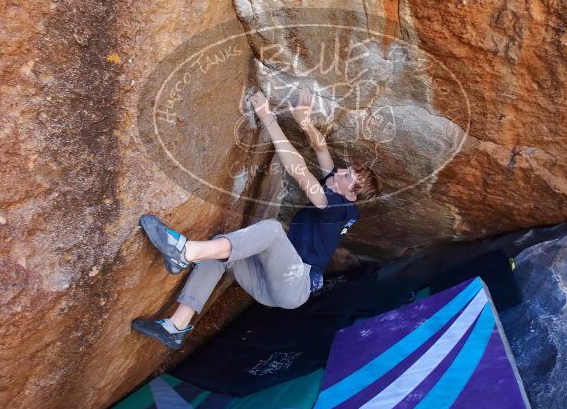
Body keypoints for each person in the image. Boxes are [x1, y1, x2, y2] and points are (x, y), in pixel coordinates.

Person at [131, 87, 381, 349]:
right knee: (219, 249)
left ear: (351, 195)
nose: (340, 170)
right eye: (348, 169)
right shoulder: (336, 185)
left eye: (348, 176)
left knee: (273, 230)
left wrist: (268, 118)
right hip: (270, 284)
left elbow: (299, 172)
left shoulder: (339, 208)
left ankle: (185, 252)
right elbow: (321, 148)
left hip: (297, 283)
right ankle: (176, 327)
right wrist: (304, 121)